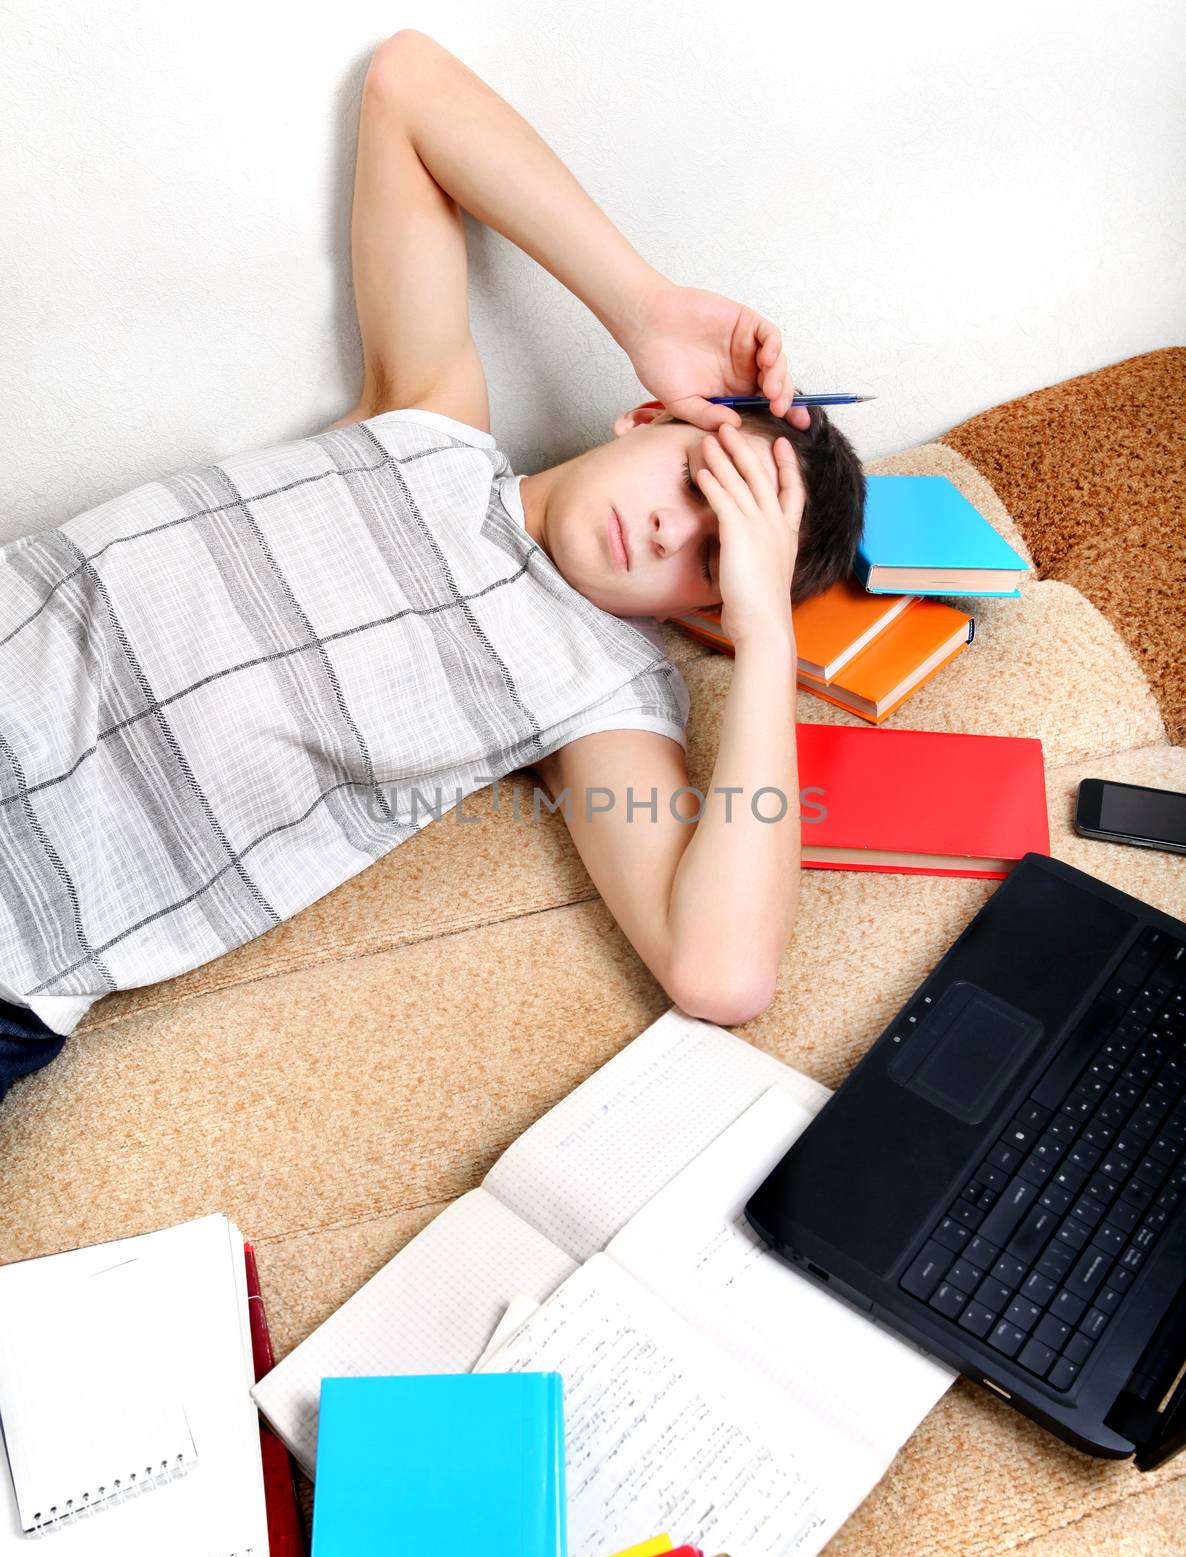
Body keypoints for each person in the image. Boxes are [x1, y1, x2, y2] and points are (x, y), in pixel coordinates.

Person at [0, 28, 864, 1105]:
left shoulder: (598, 695)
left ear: (710, 616)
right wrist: (642, 306)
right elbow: (409, 83)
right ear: (650, 414)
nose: (663, 533)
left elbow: (721, 972)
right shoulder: (432, 422)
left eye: (714, 554)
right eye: (693, 480)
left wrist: (770, 639)